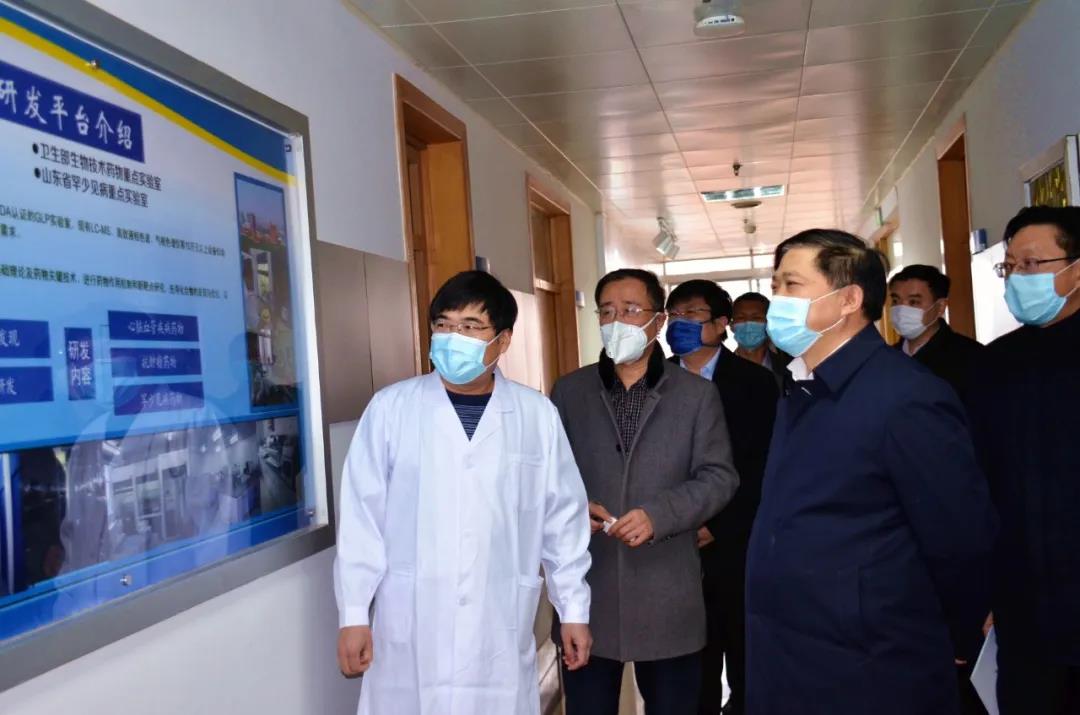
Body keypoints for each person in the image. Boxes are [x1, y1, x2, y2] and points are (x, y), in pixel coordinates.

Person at [745, 229, 998, 715]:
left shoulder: (906, 396)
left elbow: (959, 536)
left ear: (849, 299)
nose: (778, 300)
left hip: (871, 664)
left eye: (792, 285)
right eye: (776, 286)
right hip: (793, 655)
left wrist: (953, 631)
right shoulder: (802, 386)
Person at [334, 271, 593, 715]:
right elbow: (362, 518)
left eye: (471, 327)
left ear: (503, 340)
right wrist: (354, 613)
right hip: (412, 622)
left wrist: (573, 609)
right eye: (444, 325)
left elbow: (563, 522)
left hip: (497, 623)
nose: (454, 338)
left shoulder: (536, 415)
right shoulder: (391, 408)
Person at [551, 268, 739, 715]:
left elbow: (719, 476)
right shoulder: (570, 391)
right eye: (607, 312)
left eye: (631, 310)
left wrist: (661, 515)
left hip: (667, 586)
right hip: (588, 588)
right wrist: (574, 508)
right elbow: (546, 477)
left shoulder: (696, 395)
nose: (617, 321)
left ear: (658, 321)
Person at [966, 206, 1080, 714]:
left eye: (1031, 264)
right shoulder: (994, 364)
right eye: (1009, 266)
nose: (1016, 277)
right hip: (1024, 603)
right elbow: (979, 481)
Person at [664, 280, 778, 715]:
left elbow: (763, 465)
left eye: (692, 314)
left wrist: (719, 524)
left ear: (720, 323)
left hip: (737, 545)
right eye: (674, 315)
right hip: (672, 545)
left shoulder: (756, 383)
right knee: (691, 670)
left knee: (745, 655)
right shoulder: (656, 378)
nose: (681, 323)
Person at [888, 264, 984, 399]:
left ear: (940, 307)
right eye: (895, 301)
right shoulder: (886, 358)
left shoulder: (971, 358)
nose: (901, 310)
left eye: (913, 302)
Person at [730, 292, 791, 389]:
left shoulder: (790, 366)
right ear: (731, 326)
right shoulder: (720, 369)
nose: (748, 323)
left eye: (756, 318)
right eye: (741, 317)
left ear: (770, 324)